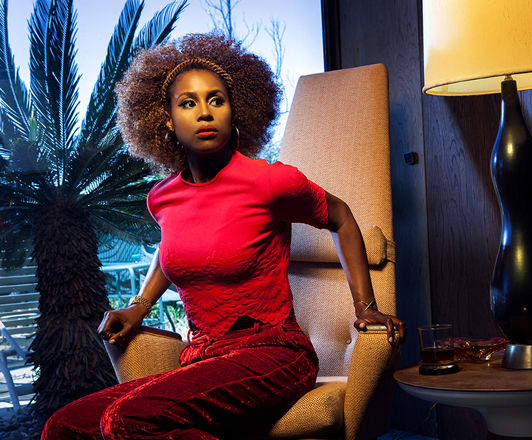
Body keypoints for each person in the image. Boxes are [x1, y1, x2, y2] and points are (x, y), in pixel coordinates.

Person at [41, 32, 405, 440]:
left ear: (235, 112)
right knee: (64, 426)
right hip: (203, 356)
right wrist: (139, 307)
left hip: (275, 353)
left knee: (126, 419)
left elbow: (340, 217)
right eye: (188, 103)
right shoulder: (162, 197)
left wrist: (366, 307)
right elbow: (170, 250)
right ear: (166, 120)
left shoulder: (269, 182)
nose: (204, 113)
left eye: (216, 100)